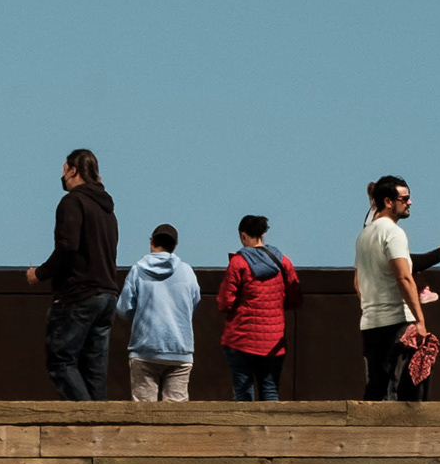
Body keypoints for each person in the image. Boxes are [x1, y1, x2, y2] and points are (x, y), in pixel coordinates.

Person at [354, 177, 440, 403]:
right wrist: (420, 321)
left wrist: (372, 306)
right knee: (402, 391)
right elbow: (404, 277)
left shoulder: (364, 236)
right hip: (396, 323)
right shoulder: (393, 233)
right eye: (404, 199)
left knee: (376, 391)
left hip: (371, 324)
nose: (410, 202)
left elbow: (357, 282)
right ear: (388, 202)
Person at [25, 148, 121, 401]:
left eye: (64, 170)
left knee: (61, 360)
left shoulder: (72, 202)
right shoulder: (108, 211)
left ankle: (86, 416)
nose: (62, 176)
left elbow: (67, 247)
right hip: (107, 294)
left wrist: (39, 273)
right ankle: (100, 421)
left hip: (79, 293)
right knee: (94, 368)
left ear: (73, 170)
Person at [216, 213, 300, 405]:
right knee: (270, 389)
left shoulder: (238, 263)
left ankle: (244, 426)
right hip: (273, 340)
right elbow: (295, 297)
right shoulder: (283, 262)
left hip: (241, 339)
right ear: (263, 234)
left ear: (243, 235)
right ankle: (272, 425)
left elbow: (225, 302)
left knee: (243, 392)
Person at [115, 223, 199, 402]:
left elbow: (123, 309)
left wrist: (140, 317)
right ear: (174, 246)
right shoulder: (187, 271)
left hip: (144, 350)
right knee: (176, 414)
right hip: (180, 350)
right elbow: (194, 304)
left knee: (145, 413)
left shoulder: (137, 270)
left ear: (152, 241)